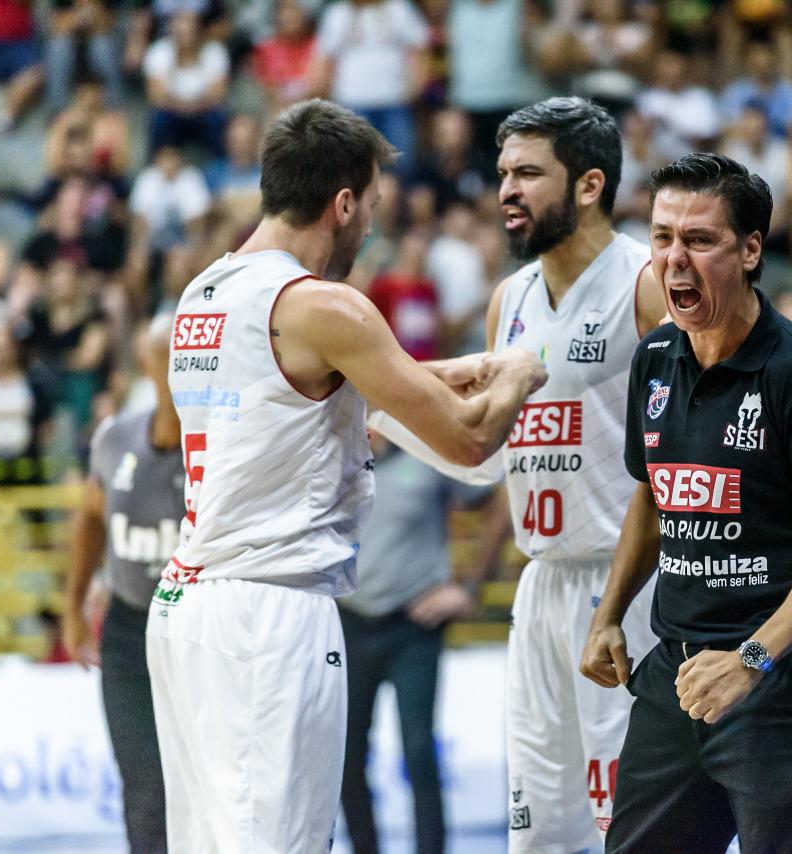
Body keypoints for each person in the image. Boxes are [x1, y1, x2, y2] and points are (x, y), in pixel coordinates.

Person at [145, 98, 546, 854]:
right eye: (370, 208)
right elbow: (468, 443)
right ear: (341, 202)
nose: (371, 227)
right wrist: (520, 370)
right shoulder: (326, 306)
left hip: (188, 606)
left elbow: (307, 410)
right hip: (269, 613)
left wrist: (448, 372)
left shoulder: (203, 293)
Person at [372, 96, 667, 852]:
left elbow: (683, 450)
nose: (506, 189)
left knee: (628, 824)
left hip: (630, 583)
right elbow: (494, 455)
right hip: (542, 584)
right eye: (503, 172)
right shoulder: (510, 298)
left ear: (590, 185)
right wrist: (376, 415)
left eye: (529, 173)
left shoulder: (648, 282)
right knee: (536, 831)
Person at [582, 153, 792, 853]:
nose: (675, 260)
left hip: (783, 681)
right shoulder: (656, 360)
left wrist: (751, 659)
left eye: (700, 240)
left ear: (751, 251)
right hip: (678, 674)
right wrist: (608, 614)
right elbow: (654, 497)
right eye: (662, 238)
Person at [339, 429, 495, 854]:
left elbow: (499, 499)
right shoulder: (333, 457)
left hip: (415, 623)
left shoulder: (425, 454)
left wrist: (469, 587)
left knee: (420, 751)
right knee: (347, 757)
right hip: (349, 621)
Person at [62, 315, 182, 854]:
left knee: (203, 788)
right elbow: (90, 519)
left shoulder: (224, 447)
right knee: (144, 789)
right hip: (131, 631)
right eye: (166, 362)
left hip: (197, 636)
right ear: (149, 368)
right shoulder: (116, 439)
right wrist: (72, 604)